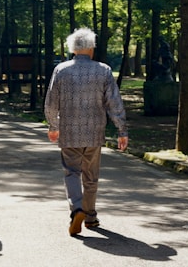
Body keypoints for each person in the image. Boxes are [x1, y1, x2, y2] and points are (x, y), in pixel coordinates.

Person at [44, 27, 128, 236]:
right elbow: (113, 102)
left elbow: (51, 101)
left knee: (71, 171)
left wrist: (53, 126)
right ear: (91, 48)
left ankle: (77, 209)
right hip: (94, 132)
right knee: (91, 176)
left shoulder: (61, 70)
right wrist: (121, 130)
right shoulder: (104, 70)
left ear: (73, 49)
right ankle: (90, 216)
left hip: (69, 131)